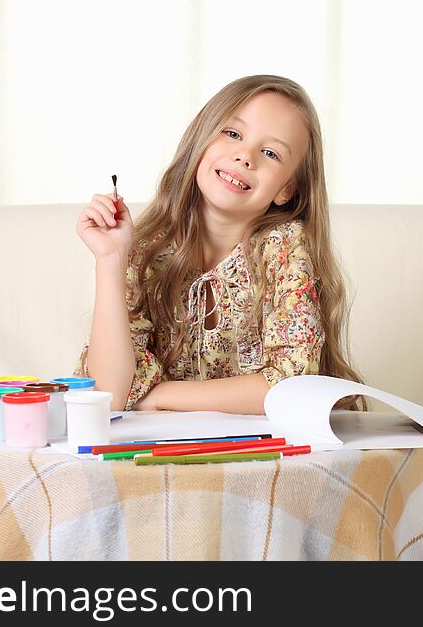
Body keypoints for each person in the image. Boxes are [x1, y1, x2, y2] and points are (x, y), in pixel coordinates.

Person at [73, 74, 366, 414]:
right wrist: (110, 260)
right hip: (154, 456)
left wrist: (161, 396)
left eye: (270, 153)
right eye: (232, 134)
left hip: (260, 457)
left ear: (287, 189)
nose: (245, 156)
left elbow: (293, 383)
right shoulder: (146, 250)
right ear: (202, 141)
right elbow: (109, 394)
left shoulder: (285, 249)